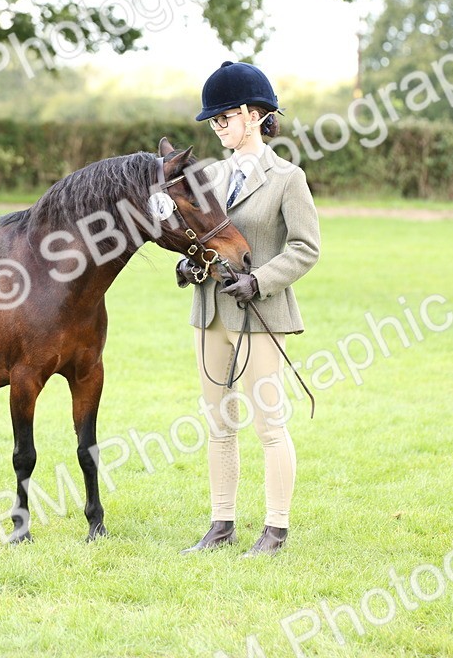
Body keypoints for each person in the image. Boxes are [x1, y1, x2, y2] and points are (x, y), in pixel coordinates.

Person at [175, 61, 321, 557]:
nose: (218, 128)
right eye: (213, 122)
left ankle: (276, 528)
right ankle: (222, 523)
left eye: (225, 119)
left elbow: (305, 248)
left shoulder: (287, 178)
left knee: (268, 423)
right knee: (218, 422)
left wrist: (259, 280)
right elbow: (200, 239)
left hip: (261, 315)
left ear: (254, 115)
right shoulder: (209, 176)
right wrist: (189, 265)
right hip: (210, 314)